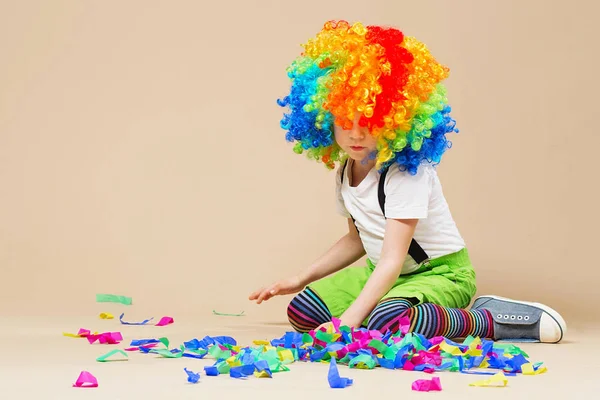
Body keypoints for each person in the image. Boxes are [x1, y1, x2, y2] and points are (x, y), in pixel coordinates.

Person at [249, 20, 566, 343]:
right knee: (303, 313)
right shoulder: (347, 168)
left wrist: (347, 323)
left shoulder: (403, 173)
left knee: (388, 320)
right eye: (346, 121)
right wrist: (300, 278)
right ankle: (391, 308)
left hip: (441, 274)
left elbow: (392, 259)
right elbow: (358, 239)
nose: (357, 134)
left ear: (393, 118)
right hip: (386, 274)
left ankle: (489, 319)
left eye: (370, 121)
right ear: (325, 120)